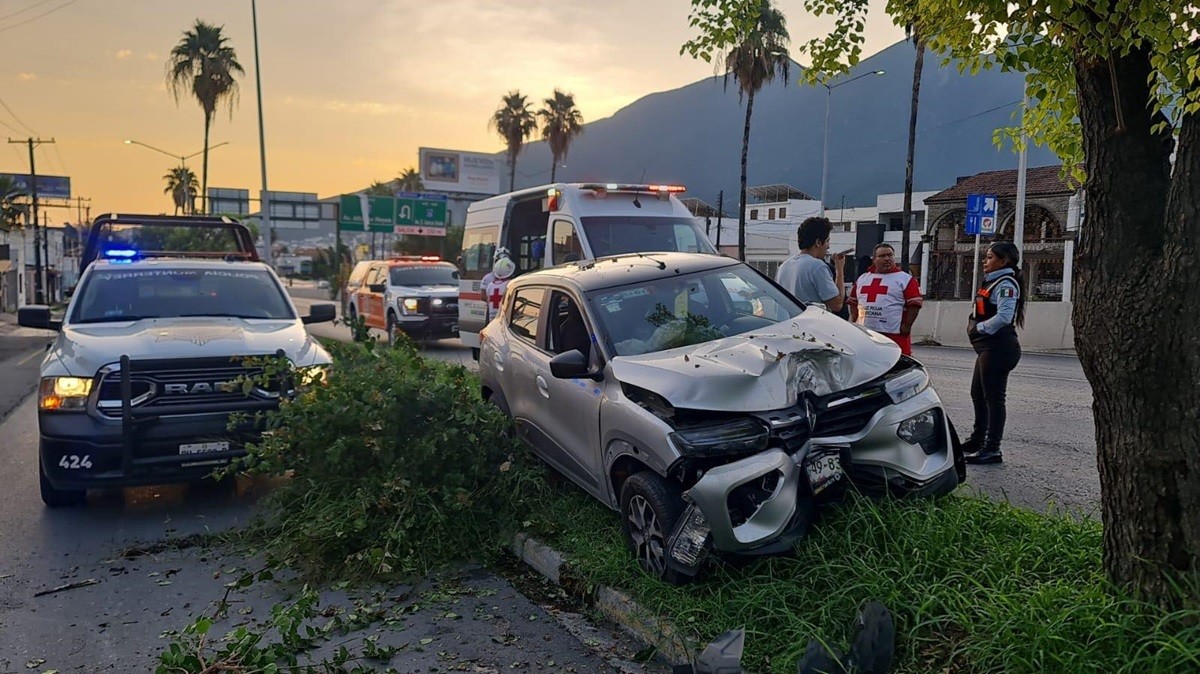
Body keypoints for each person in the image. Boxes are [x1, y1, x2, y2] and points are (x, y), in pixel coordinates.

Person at [962, 241, 1025, 464]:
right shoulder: (993, 282)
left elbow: (1005, 317)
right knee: (978, 395)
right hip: (988, 349)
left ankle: (992, 448)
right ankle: (978, 440)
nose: (984, 261)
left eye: (989, 257)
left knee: (994, 400)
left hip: (999, 349)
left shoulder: (1006, 283)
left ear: (1004, 260)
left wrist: (979, 328)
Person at [847, 243, 923, 355]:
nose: (887, 259)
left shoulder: (905, 279)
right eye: (882, 256)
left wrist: (907, 326)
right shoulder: (863, 279)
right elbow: (853, 302)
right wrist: (855, 320)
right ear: (874, 259)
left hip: (894, 334)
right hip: (866, 333)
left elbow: (915, 304)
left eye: (890, 255)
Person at [775, 217, 846, 312]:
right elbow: (837, 304)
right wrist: (839, 270)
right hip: (811, 324)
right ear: (818, 242)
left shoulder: (783, 267)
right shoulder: (817, 267)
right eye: (827, 241)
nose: (828, 246)